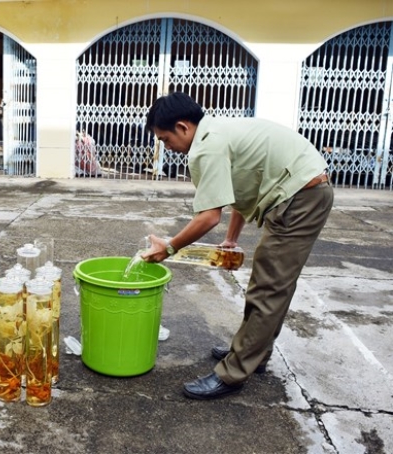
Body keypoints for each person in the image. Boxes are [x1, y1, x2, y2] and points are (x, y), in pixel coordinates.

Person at [142, 92, 333, 400]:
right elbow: (238, 194)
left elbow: (208, 217)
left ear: (182, 127)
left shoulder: (206, 147)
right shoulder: (215, 131)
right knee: (271, 284)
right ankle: (252, 353)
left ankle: (233, 373)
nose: (167, 147)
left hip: (301, 198)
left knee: (269, 288)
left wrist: (170, 247)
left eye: (165, 139)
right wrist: (232, 238)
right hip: (301, 192)